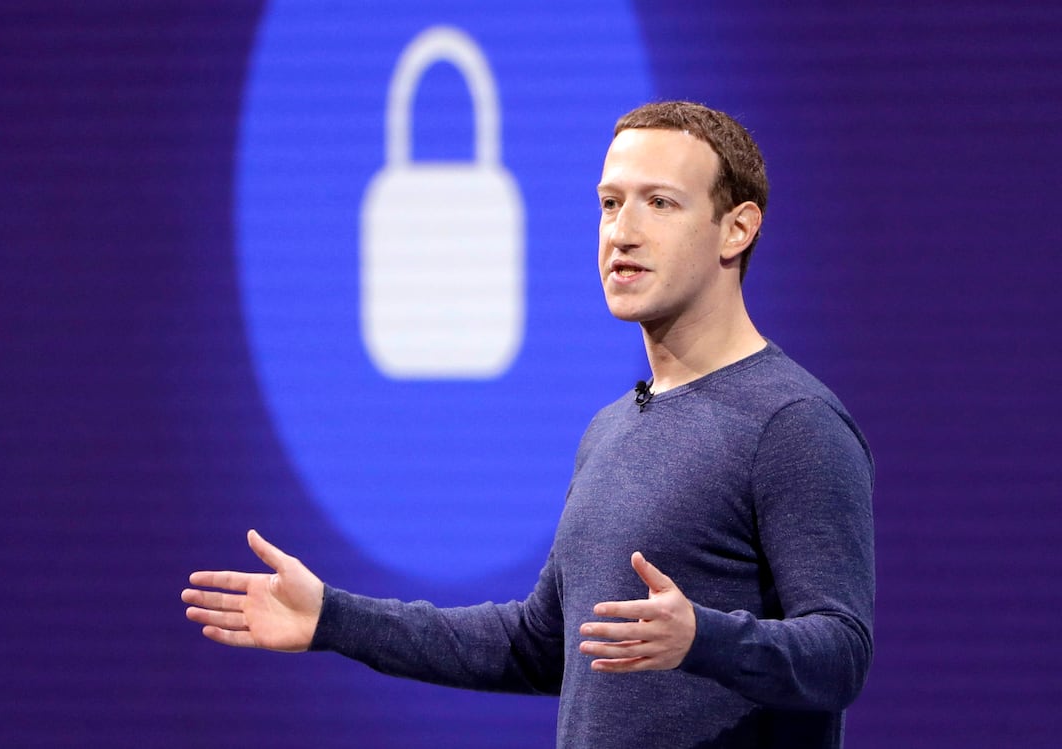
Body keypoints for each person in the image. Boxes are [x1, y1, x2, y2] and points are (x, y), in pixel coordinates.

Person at [182, 101, 875, 749]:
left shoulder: (793, 422)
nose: (622, 232)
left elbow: (841, 653)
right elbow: (537, 643)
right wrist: (334, 617)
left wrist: (703, 637)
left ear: (738, 228)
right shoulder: (612, 428)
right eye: (609, 204)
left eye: (659, 203)